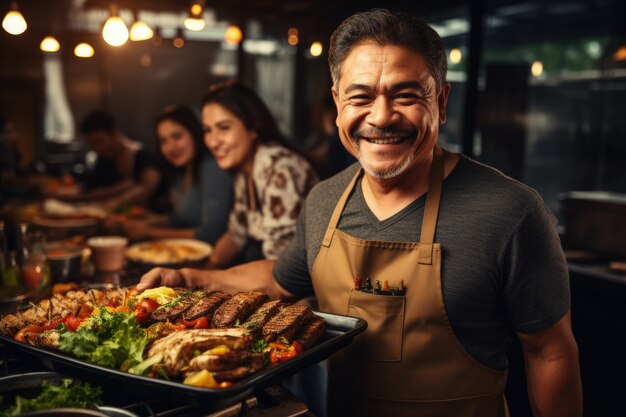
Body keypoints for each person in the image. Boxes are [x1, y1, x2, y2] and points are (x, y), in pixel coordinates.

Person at [137, 9, 582, 417]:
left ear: (442, 102)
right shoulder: (325, 200)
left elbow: (549, 352)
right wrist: (189, 280)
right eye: (361, 96)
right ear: (337, 105)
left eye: (406, 95)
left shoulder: (510, 211)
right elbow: (280, 280)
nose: (382, 116)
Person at [200, 81, 319, 267]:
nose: (213, 142)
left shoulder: (279, 167)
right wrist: (207, 269)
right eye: (207, 130)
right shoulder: (245, 171)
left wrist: (208, 279)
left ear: (253, 127)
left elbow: (279, 265)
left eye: (224, 127)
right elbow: (235, 235)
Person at [115, 105, 233, 244]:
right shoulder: (183, 170)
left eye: (177, 136)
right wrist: (147, 221)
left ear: (194, 132)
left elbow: (211, 234)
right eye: (163, 141)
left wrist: (149, 231)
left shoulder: (211, 167)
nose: (170, 147)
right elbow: (182, 219)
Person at [77, 110, 165, 211]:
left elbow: (147, 187)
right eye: (91, 144)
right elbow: (92, 191)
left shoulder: (143, 156)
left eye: (99, 141)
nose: (97, 148)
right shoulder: (103, 160)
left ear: (114, 132)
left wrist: (108, 206)